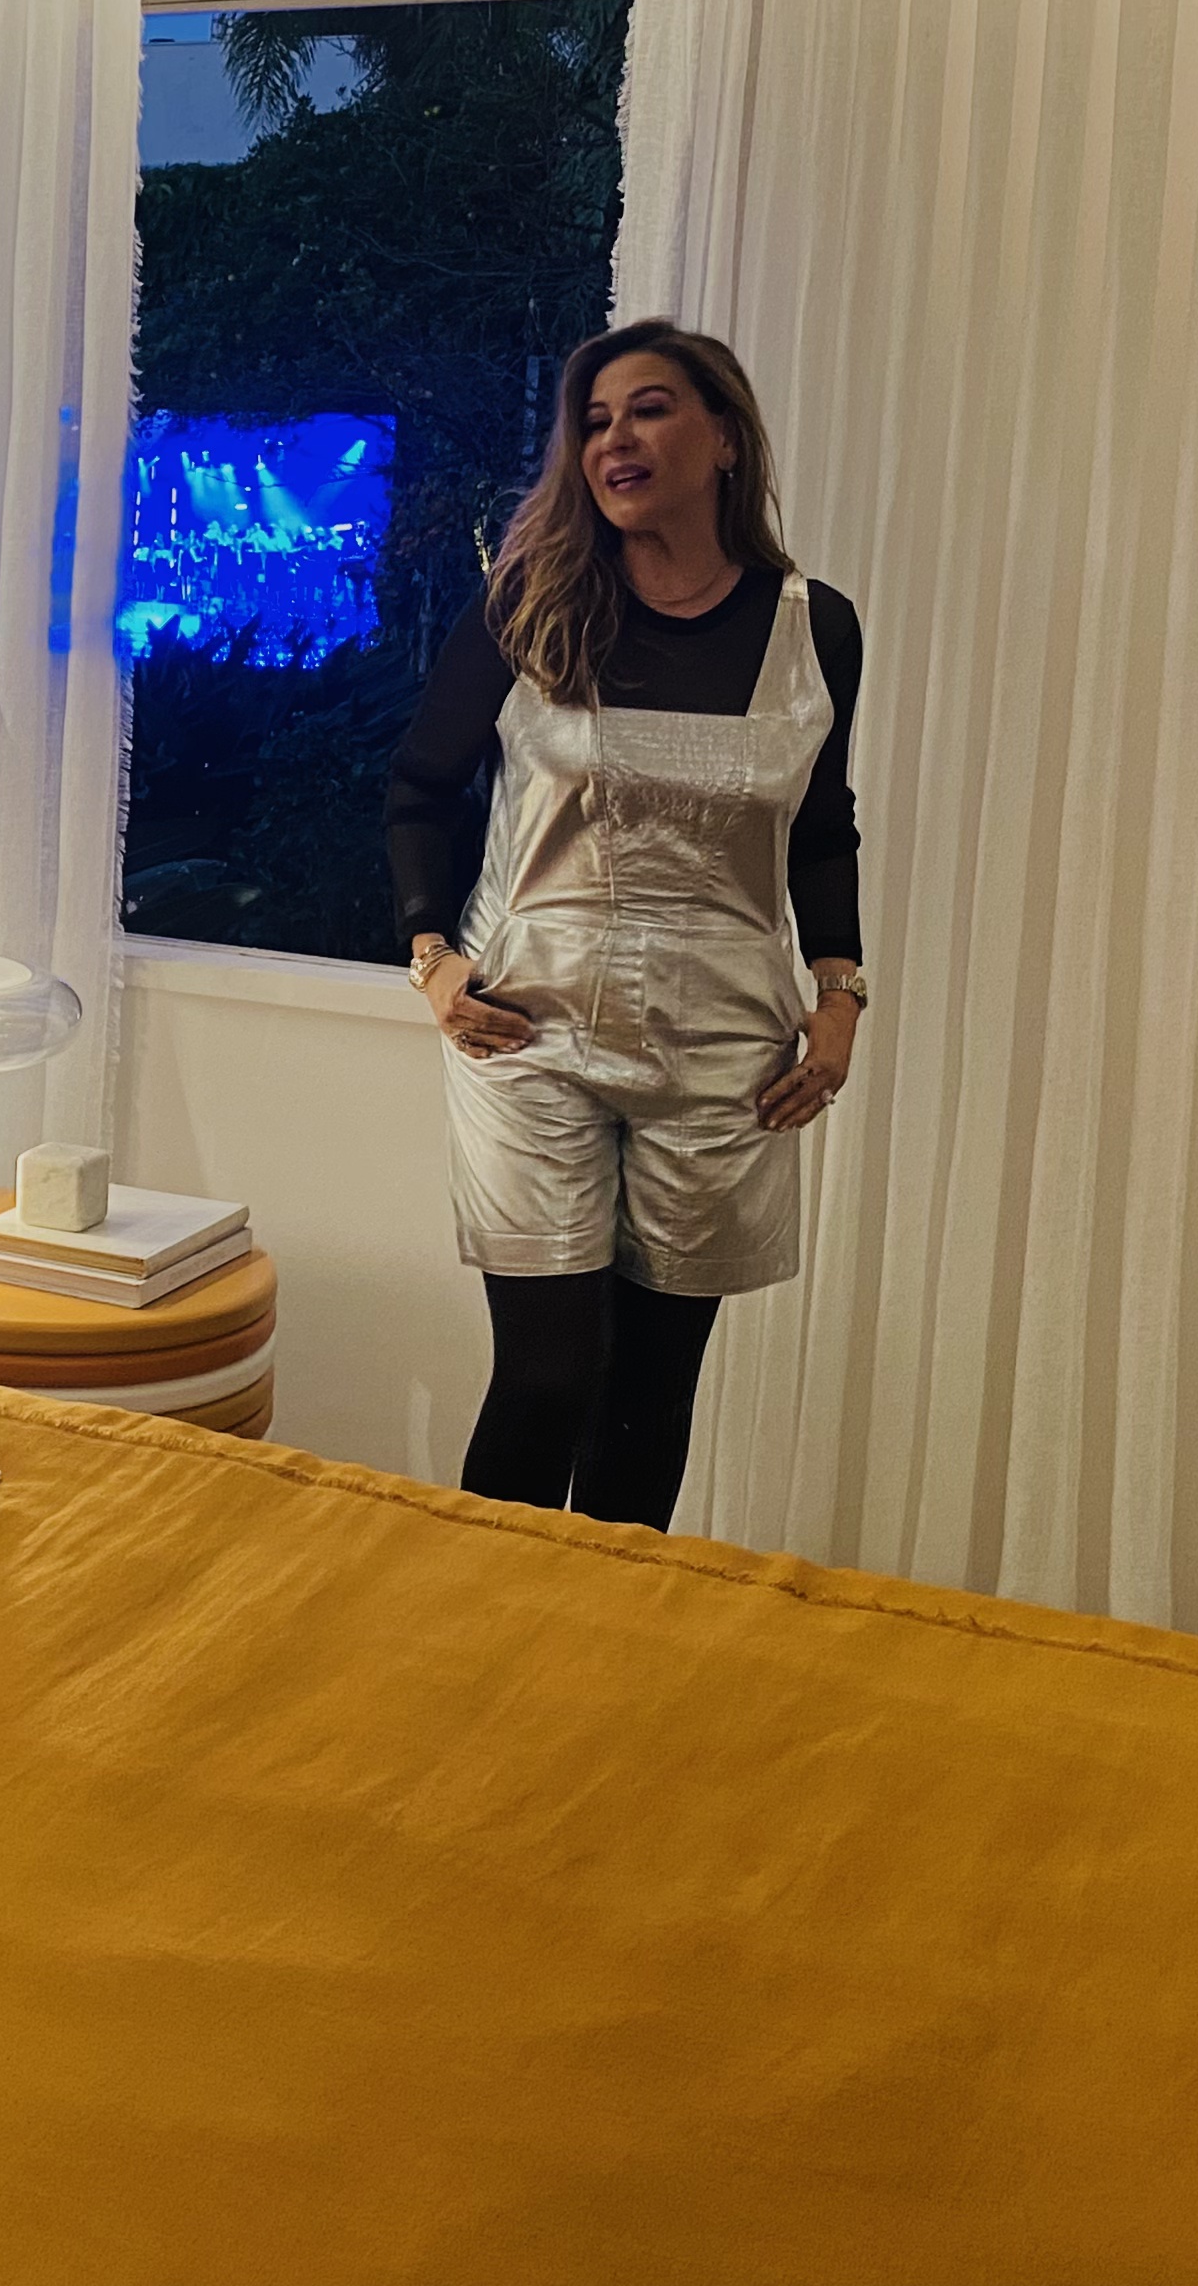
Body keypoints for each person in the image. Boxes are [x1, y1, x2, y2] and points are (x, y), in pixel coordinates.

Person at [382, 319, 867, 1528]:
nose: (615, 440)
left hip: (726, 1045)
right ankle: (484, 1624)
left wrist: (840, 997)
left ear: (725, 438)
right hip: (528, 1029)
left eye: (648, 409)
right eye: (594, 422)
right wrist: (434, 960)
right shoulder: (529, 606)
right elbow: (420, 789)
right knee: (550, 1373)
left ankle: (609, 1635)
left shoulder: (816, 626)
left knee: (650, 1392)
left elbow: (821, 828)